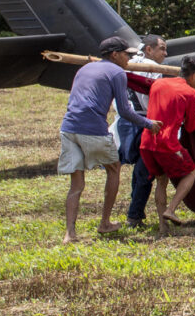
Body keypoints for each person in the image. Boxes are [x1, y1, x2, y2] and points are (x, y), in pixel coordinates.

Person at [58, 36, 161, 244]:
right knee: (114, 168)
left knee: (76, 184)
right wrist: (149, 124)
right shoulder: (117, 72)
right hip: (92, 128)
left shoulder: (85, 69)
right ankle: (105, 222)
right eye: (126, 54)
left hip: (69, 127)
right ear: (115, 55)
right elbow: (124, 110)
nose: (129, 59)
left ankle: (70, 233)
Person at [140, 54, 195, 234]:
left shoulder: (158, 84)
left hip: (147, 142)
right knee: (191, 171)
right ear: (194, 76)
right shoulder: (190, 93)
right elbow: (192, 126)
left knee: (161, 181)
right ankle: (171, 209)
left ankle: (164, 228)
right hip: (167, 144)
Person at [112, 34, 167, 228]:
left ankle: (135, 213)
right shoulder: (151, 68)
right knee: (145, 171)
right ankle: (134, 216)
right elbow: (149, 96)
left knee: (140, 171)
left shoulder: (123, 65)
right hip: (142, 122)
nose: (165, 53)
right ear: (149, 49)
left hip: (123, 122)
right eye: (162, 48)